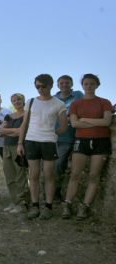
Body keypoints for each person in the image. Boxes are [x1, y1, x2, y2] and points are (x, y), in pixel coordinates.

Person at [62, 74, 113, 220]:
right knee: (75, 174)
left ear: (97, 85)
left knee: (93, 176)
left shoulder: (104, 102)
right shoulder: (76, 104)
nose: (88, 86)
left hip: (100, 141)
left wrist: (84, 119)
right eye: (86, 84)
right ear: (82, 86)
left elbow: (107, 122)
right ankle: (67, 204)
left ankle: (84, 207)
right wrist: (96, 121)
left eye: (92, 84)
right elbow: (75, 124)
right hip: (81, 140)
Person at [17, 74, 67, 220]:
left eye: (43, 86)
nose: (40, 89)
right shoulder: (31, 102)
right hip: (31, 141)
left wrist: (52, 134)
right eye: (37, 86)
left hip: (48, 143)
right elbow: (24, 124)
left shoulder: (59, 104)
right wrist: (20, 143)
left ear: (51, 85)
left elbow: (64, 126)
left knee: (49, 175)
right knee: (33, 175)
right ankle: (35, 206)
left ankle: (48, 207)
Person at [53, 75, 84, 201]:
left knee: (59, 164)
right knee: (48, 166)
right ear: (58, 85)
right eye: (61, 83)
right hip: (52, 136)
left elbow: (81, 109)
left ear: (71, 84)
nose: (64, 85)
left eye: (67, 83)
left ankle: (56, 192)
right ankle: (49, 193)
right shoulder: (54, 98)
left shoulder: (77, 95)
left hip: (68, 136)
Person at [0, 93, 29, 213]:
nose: (16, 102)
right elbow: (0, 130)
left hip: (19, 147)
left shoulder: (26, 115)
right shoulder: (9, 116)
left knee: (20, 176)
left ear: (23, 100)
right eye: (14, 100)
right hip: (6, 147)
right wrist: (15, 131)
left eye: (19, 99)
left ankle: (22, 203)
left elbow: (23, 131)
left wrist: (10, 132)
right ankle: (15, 201)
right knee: (9, 176)